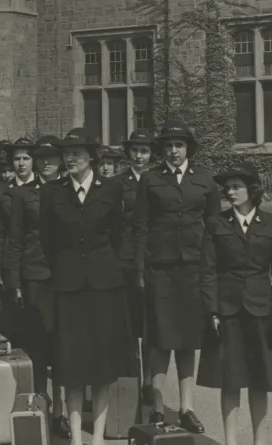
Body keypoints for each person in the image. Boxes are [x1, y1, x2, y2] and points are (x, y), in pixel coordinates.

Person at [39, 128, 137, 445]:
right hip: (68, 288)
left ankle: (97, 436)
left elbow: (121, 236)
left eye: (77, 153)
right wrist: (64, 271)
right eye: (67, 153)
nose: (71, 158)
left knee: (102, 364)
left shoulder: (112, 189)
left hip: (104, 286)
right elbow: (48, 240)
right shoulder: (52, 193)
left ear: (91, 157)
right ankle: (77, 438)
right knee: (71, 364)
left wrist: (115, 270)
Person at [133, 119, 222, 433]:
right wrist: (140, 269)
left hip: (193, 270)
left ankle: (186, 407)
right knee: (159, 341)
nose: (173, 151)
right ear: (163, 150)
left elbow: (214, 230)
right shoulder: (150, 180)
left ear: (189, 149)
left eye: (179, 145)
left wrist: (213, 269)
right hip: (161, 269)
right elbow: (141, 227)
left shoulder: (206, 181)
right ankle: (157, 408)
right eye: (169, 145)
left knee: (187, 341)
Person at [197, 162, 272, 445]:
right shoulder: (216, 224)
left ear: (252, 190)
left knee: (260, 380)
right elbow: (208, 271)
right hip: (227, 312)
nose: (230, 192)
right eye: (227, 188)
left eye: (236, 187)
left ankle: (259, 441)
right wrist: (212, 310)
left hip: (262, 310)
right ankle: (230, 441)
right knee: (230, 379)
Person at [6, 136, 71, 439]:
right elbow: (16, 239)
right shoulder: (24, 194)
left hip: (68, 277)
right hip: (35, 274)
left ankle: (62, 409)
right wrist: (16, 281)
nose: (46, 162)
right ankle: (40, 404)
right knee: (39, 343)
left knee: (63, 344)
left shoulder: (72, 190)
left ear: (61, 160)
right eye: (40, 157)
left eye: (52, 157)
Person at [115, 128, 158, 404]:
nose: (139, 156)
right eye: (135, 151)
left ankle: (150, 383)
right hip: (128, 258)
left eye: (144, 151)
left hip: (155, 258)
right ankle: (132, 375)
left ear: (152, 154)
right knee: (131, 323)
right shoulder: (118, 183)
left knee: (153, 324)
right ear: (128, 153)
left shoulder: (158, 181)